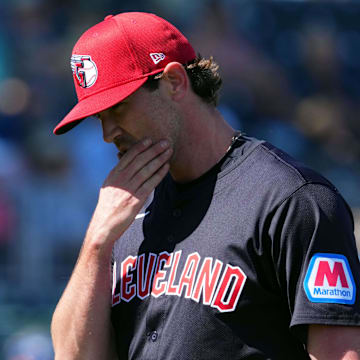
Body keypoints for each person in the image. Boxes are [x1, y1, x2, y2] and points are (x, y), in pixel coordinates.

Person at [51, 12, 360, 360]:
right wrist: (96, 244)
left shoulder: (292, 199)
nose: (108, 134)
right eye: (99, 117)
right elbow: (71, 356)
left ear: (175, 82)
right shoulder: (120, 214)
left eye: (119, 108)